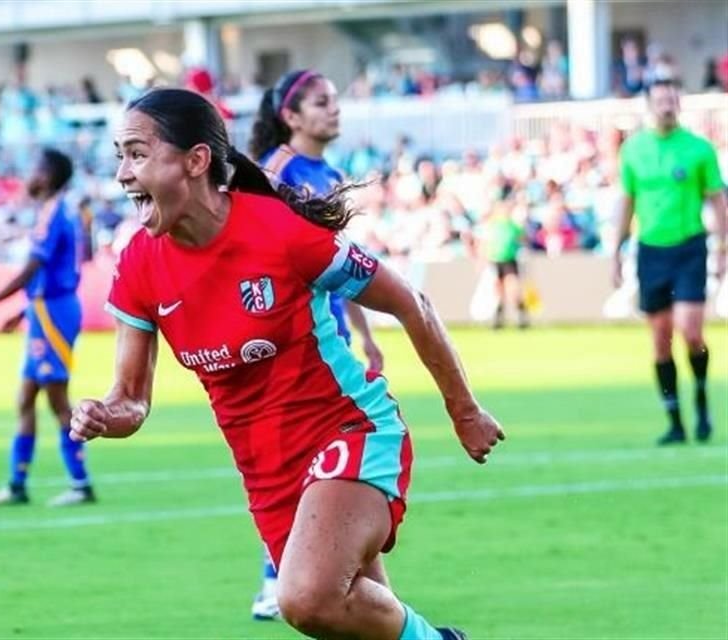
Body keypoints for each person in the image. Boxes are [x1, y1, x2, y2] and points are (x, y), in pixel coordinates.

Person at [70, 88, 503, 640]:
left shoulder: (280, 233)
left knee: (303, 598)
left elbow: (410, 304)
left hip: (348, 429)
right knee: (357, 618)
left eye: (136, 154)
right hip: (267, 472)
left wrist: (463, 411)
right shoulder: (137, 265)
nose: (122, 175)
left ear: (196, 160)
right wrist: (106, 414)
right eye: (119, 156)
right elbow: (131, 399)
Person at [247, 67, 385, 620]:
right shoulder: (274, 172)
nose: (334, 109)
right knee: (289, 457)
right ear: (291, 116)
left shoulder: (328, 173)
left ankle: (314, 575)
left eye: (335, 100)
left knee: (326, 455)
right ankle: (279, 576)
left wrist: (367, 334)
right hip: (286, 336)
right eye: (321, 102)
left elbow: (340, 264)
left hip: (328, 337)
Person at [0, 148, 97, 506]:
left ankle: (81, 484)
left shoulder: (53, 214)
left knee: (56, 399)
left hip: (53, 312)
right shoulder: (56, 212)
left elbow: (30, 271)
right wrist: (23, 313)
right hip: (42, 310)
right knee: (25, 399)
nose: (28, 176)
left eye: (35, 170)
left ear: (48, 177)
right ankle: (18, 485)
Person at [613, 79, 727, 445]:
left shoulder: (698, 149)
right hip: (651, 251)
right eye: (660, 100)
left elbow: (717, 201)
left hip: (690, 247)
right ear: (649, 105)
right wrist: (616, 249)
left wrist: (723, 246)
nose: (666, 105)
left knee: (691, 332)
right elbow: (626, 202)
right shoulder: (633, 150)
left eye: (671, 99)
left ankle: (702, 401)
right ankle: (675, 422)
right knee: (660, 340)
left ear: (679, 104)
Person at [475, 186, 530, 330]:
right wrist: (481, 261)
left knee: (513, 289)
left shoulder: (512, 225)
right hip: (495, 260)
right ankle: (499, 320)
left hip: (509, 260)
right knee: (498, 291)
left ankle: (521, 316)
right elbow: (483, 245)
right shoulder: (491, 225)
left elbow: (523, 239)